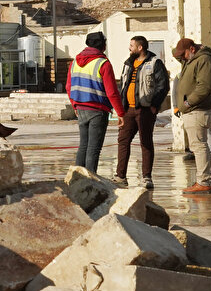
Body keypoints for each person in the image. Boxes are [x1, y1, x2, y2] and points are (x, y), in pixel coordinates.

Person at [66, 31, 126, 174]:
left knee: (83, 146)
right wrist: (120, 113)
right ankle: (90, 178)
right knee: (94, 148)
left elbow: (69, 86)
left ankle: (77, 177)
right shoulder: (103, 63)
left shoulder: (74, 62)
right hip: (98, 110)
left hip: (80, 108)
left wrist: (74, 104)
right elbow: (112, 92)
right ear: (103, 45)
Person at [114, 36, 169, 189]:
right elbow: (123, 85)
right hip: (128, 110)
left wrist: (154, 106)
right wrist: (120, 109)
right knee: (123, 141)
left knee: (145, 142)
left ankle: (146, 177)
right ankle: (120, 176)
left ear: (140, 48)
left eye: (131, 45)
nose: (129, 48)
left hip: (145, 110)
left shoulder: (155, 63)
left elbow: (163, 86)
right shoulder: (128, 63)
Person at [173, 37, 211, 194]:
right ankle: (205, 180)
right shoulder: (191, 60)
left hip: (197, 109)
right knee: (198, 146)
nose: (181, 58)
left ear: (192, 49)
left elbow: (204, 87)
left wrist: (187, 103)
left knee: (199, 147)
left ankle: (204, 181)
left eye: (183, 54)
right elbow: (175, 53)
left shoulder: (204, 60)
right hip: (192, 110)